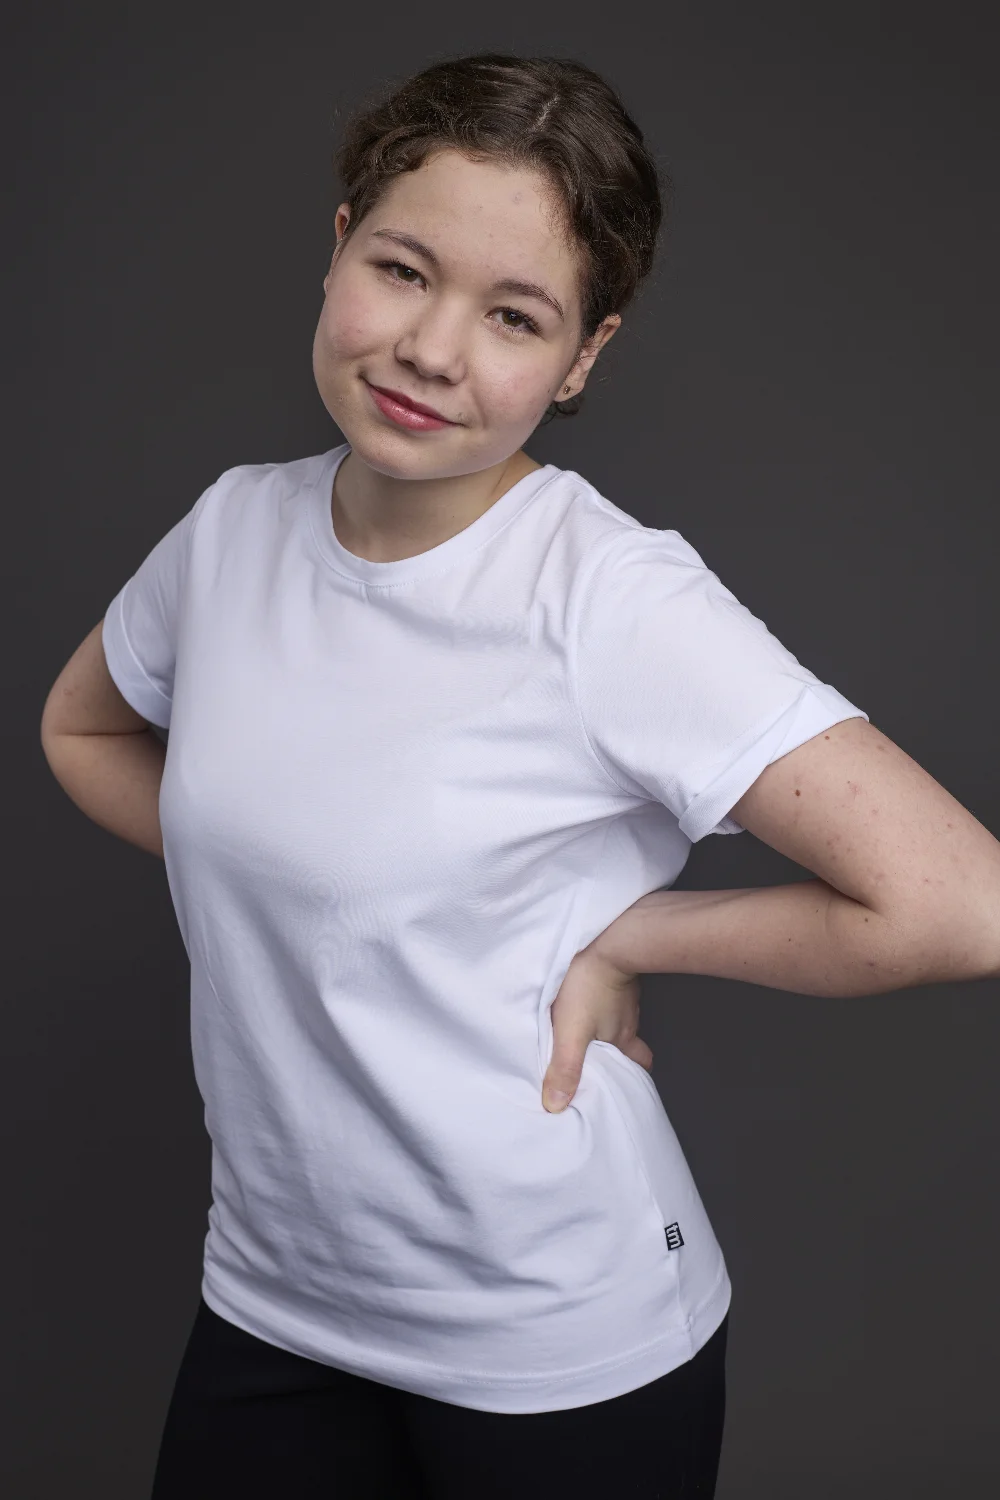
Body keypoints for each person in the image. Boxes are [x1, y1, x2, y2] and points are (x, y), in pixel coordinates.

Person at [39, 52, 1000, 1500]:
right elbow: (83, 734)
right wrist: (311, 892)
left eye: (514, 316)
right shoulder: (231, 532)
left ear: (584, 356)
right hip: (274, 1300)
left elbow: (962, 905)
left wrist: (621, 934)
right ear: (338, 246)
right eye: (402, 269)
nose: (432, 349)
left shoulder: (608, 598)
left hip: (558, 1340)